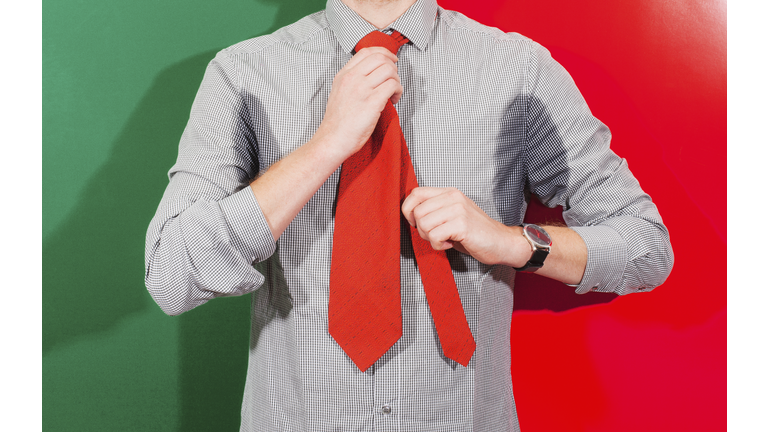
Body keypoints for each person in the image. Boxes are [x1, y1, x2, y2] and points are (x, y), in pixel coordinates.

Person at [145, 0, 673, 430]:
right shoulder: (243, 73)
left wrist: (512, 242)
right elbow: (173, 275)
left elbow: (645, 246)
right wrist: (327, 146)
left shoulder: (519, 69)